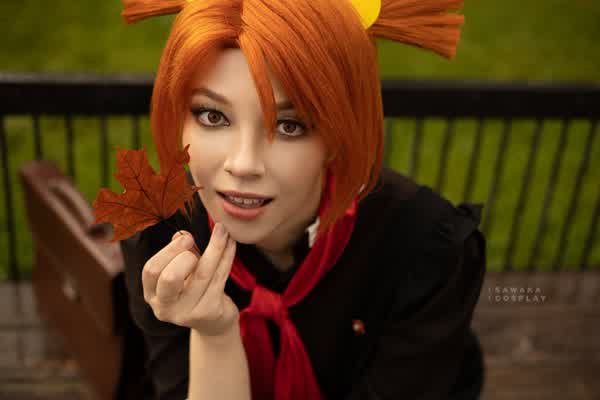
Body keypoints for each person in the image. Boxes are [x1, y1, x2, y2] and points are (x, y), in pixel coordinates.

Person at [118, 0, 487, 399]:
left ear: (340, 134)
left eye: (289, 125)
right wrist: (214, 333)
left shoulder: (424, 248)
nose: (243, 164)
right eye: (212, 116)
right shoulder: (161, 234)